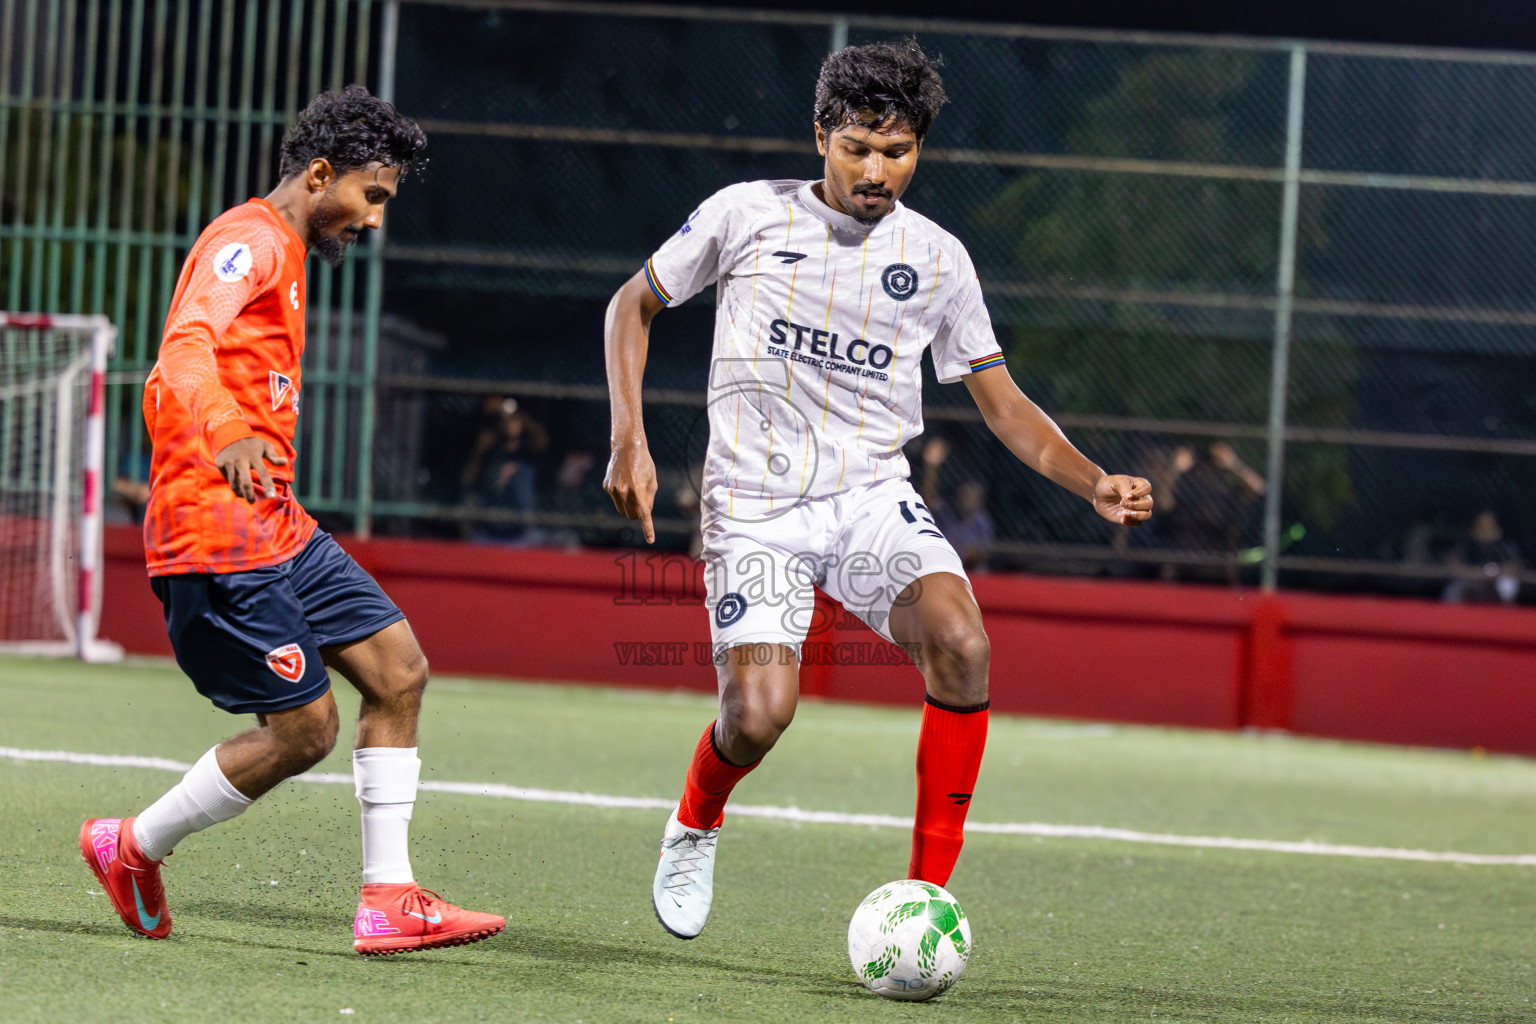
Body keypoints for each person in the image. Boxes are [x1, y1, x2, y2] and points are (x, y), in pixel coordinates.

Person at [602, 40, 1154, 940]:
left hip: (868, 499)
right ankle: (696, 820)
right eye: (857, 146)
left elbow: (1003, 405)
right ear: (820, 134)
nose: (875, 169)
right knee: (757, 717)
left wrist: (1092, 481)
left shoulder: (937, 260)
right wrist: (629, 436)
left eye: (897, 152)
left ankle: (925, 899)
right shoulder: (745, 216)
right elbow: (633, 304)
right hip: (755, 510)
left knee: (962, 643)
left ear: (920, 150)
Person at [79, 86, 504, 955]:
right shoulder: (249, 241)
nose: (376, 219)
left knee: (398, 671)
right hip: (214, 537)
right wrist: (228, 428)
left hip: (277, 525)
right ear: (319, 175)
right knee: (305, 731)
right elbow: (185, 346)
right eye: (372, 196)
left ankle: (389, 899)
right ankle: (131, 846)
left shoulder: (290, 249)